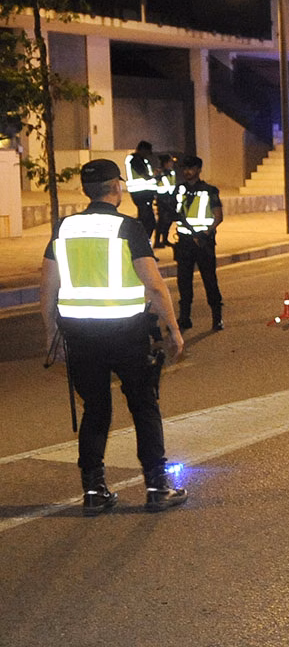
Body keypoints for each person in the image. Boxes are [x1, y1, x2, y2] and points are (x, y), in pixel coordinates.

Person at [39, 158, 188, 514]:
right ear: (116, 188)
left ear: (86, 191)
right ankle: (156, 486)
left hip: (79, 335)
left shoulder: (63, 228)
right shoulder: (129, 227)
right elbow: (153, 284)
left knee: (95, 409)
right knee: (143, 405)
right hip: (126, 333)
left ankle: (94, 491)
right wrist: (173, 329)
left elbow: (47, 289)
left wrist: (50, 335)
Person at [173, 154, 224, 331]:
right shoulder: (179, 189)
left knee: (210, 280)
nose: (187, 172)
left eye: (191, 168)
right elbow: (173, 211)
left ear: (199, 170)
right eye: (185, 169)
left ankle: (217, 318)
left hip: (203, 243)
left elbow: (218, 216)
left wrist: (206, 233)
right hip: (184, 243)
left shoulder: (209, 190)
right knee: (183, 282)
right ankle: (184, 318)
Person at [124, 140, 157, 243]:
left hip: (145, 194)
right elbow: (145, 175)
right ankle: (143, 243)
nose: (148, 155)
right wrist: (155, 176)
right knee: (146, 221)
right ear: (142, 150)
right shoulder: (134, 159)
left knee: (148, 221)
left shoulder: (142, 160)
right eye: (147, 152)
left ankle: (144, 242)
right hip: (140, 195)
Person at [153, 153, 177, 249]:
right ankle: (157, 241)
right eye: (170, 162)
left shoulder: (172, 172)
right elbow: (156, 185)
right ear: (165, 163)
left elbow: (173, 185)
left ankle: (165, 239)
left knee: (169, 220)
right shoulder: (159, 172)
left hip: (170, 198)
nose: (171, 164)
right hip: (162, 199)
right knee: (162, 220)